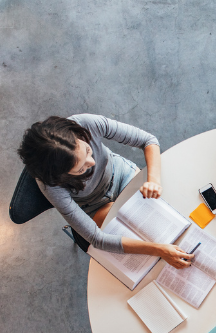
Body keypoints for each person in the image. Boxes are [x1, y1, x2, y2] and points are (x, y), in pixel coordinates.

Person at [17, 114, 194, 268]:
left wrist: (153, 180)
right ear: (60, 177)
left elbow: (148, 141)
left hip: (123, 176)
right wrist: (158, 250)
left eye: (88, 150)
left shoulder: (85, 123)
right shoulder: (50, 185)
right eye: (81, 169)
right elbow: (97, 238)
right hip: (93, 206)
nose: (92, 163)